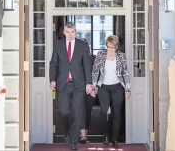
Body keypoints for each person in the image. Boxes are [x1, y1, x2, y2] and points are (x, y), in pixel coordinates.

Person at [49, 22, 92, 150]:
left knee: (77, 112)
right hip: (63, 83)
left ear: (76, 32)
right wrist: (52, 80)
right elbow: (53, 63)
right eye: (68, 32)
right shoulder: (58, 45)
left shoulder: (82, 45)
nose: (70, 35)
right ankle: (67, 132)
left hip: (78, 83)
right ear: (64, 33)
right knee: (64, 111)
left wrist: (89, 83)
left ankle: (73, 140)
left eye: (73, 32)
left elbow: (87, 65)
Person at [92, 35, 131, 148]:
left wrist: (128, 89)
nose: (110, 49)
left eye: (113, 47)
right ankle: (106, 136)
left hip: (117, 87)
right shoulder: (100, 55)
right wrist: (94, 87)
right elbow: (95, 71)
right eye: (109, 47)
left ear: (116, 47)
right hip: (103, 87)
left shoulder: (121, 56)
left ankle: (115, 139)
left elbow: (125, 73)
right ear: (106, 45)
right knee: (103, 112)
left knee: (117, 113)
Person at [79, 38, 96, 144]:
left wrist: (94, 87)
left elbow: (97, 73)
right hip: (79, 89)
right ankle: (83, 135)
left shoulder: (94, 58)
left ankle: (85, 133)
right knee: (81, 111)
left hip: (91, 89)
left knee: (88, 111)